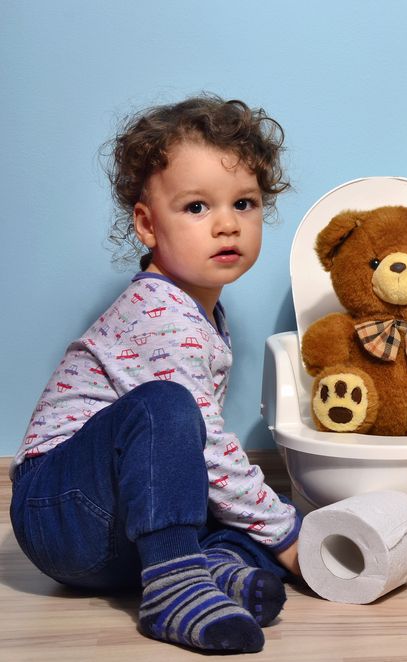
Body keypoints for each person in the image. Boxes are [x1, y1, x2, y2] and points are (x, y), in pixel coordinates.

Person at [10, 95, 301, 654]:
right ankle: (174, 586)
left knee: (241, 519)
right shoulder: (159, 312)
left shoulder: (203, 310)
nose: (225, 225)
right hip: (60, 513)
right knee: (169, 405)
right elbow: (210, 448)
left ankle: (210, 566)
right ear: (147, 223)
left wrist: (270, 530)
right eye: (196, 207)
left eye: (244, 203)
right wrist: (288, 535)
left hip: (117, 529)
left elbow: (199, 461)